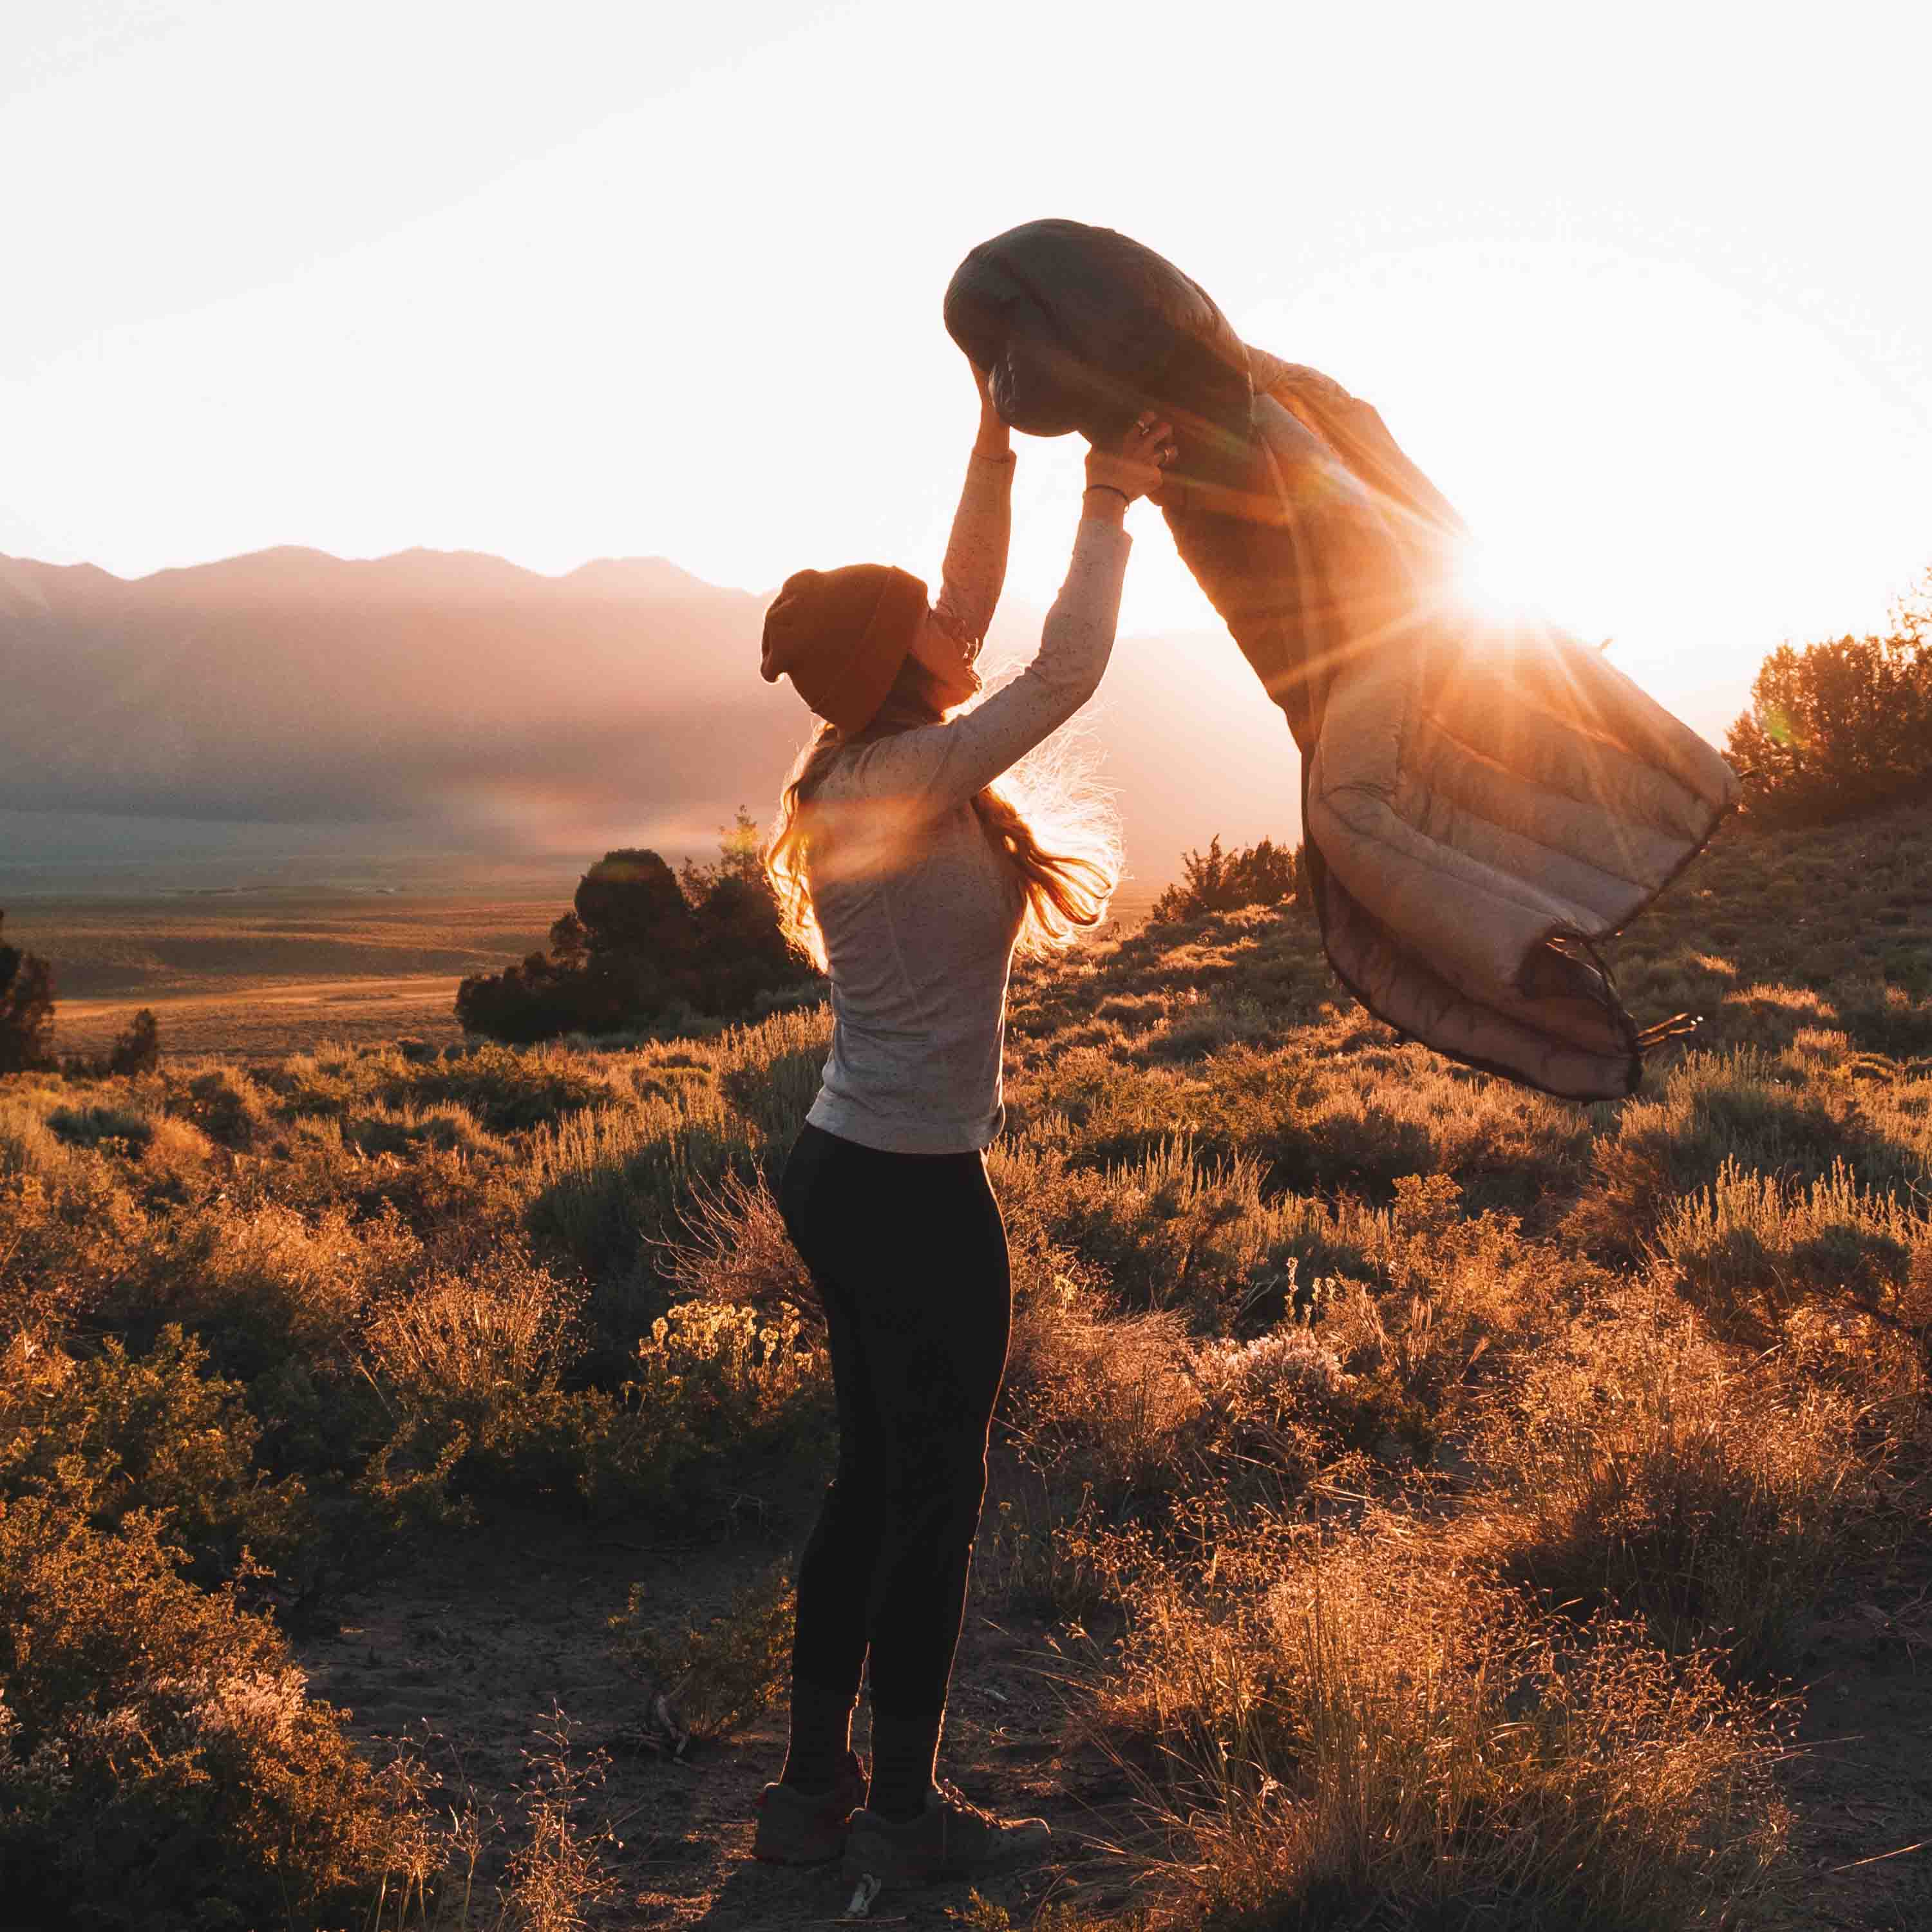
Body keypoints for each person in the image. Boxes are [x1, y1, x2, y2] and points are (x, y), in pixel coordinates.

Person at [750, 360, 1176, 1884]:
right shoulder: (916, 775)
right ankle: (910, 1820)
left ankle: (809, 1796)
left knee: (872, 1477)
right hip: (916, 1196)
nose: (952, 615)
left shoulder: (866, 762)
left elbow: (975, 603)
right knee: (935, 1494)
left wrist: (992, 448)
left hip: (844, 1168)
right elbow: (1058, 674)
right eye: (924, 617)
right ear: (899, 665)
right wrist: (1112, 497)